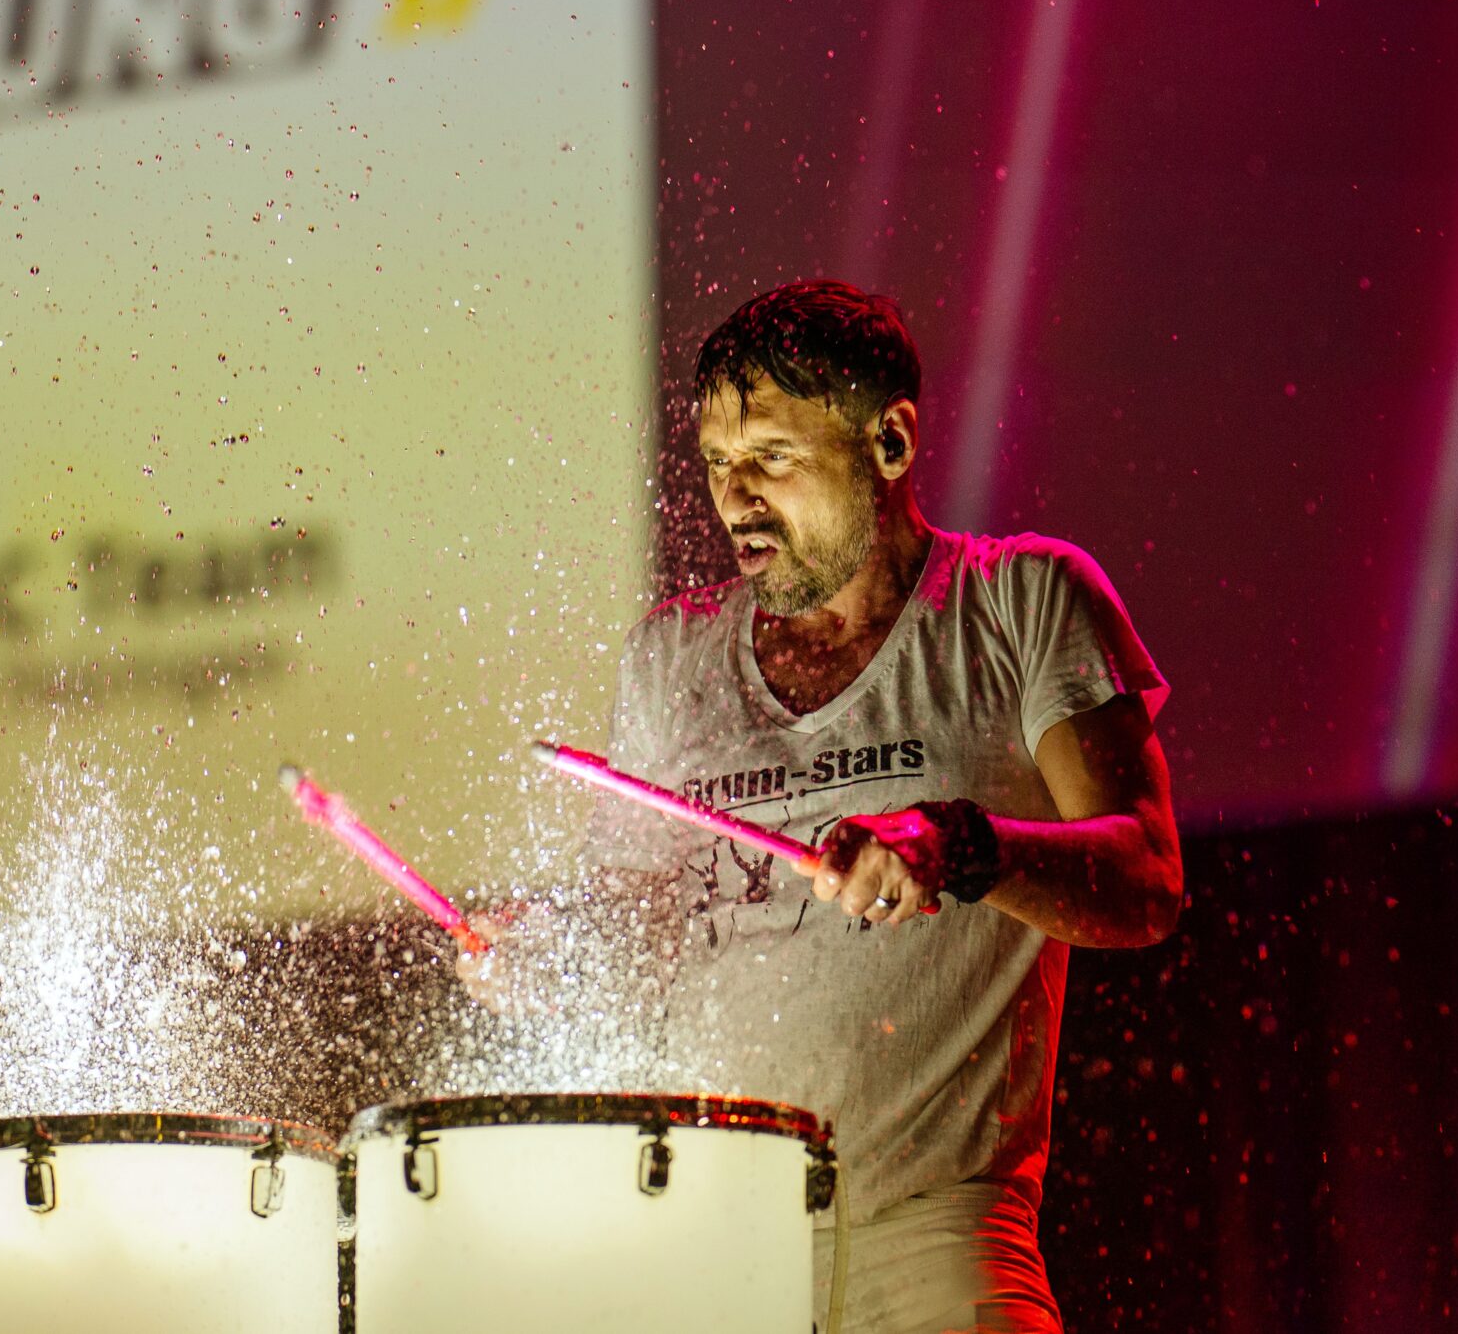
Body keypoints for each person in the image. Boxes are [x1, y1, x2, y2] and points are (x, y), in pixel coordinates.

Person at [461, 279, 1181, 1334]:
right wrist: (554, 959)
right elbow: (635, 937)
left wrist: (957, 847)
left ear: (888, 444)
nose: (734, 502)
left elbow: (1146, 882)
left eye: (772, 460)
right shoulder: (670, 658)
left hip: (931, 1235)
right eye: (715, 466)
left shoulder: (1021, 602)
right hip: (702, 1250)